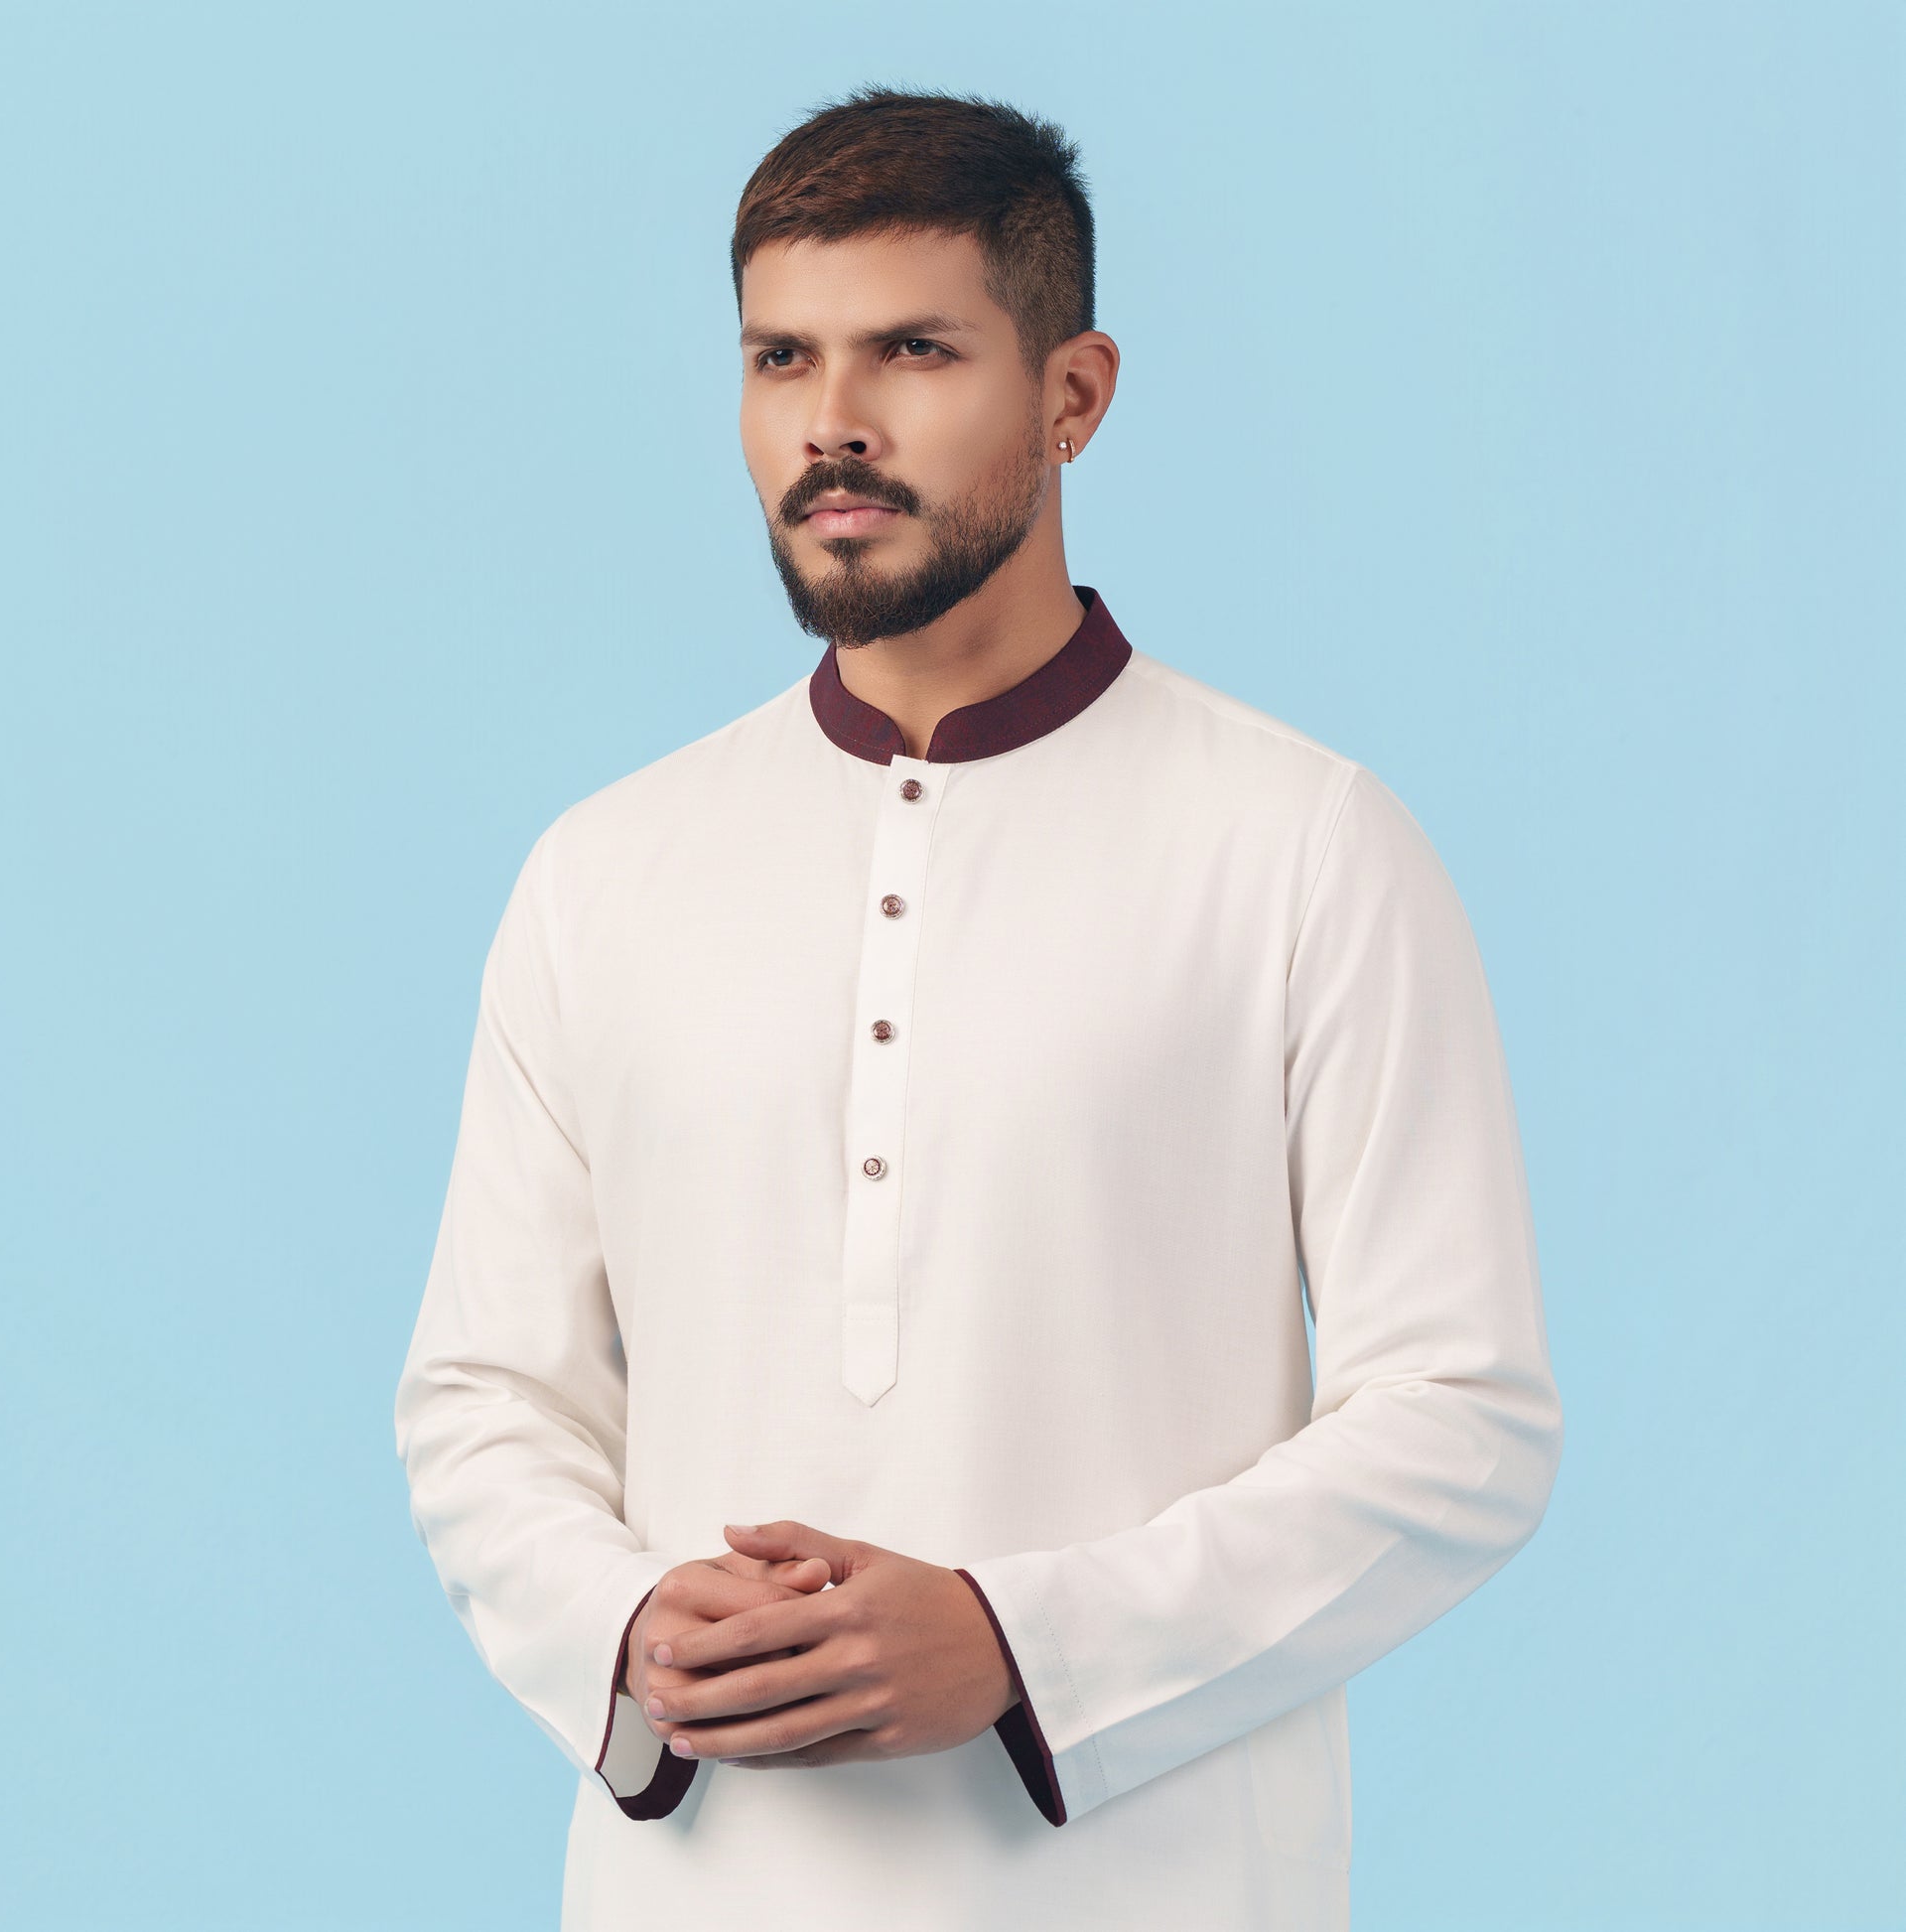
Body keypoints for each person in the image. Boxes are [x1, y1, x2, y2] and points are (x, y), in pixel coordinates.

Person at [393, 84, 1564, 1931]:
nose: (831, 423)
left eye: (913, 351)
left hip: (1156, 1886)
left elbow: (1460, 1416)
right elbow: (486, 1398)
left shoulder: (1301, 846)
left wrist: (1022, 1640)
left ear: (1072, 392)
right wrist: (624, 1623)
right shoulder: (602, 872)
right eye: (780, 358)